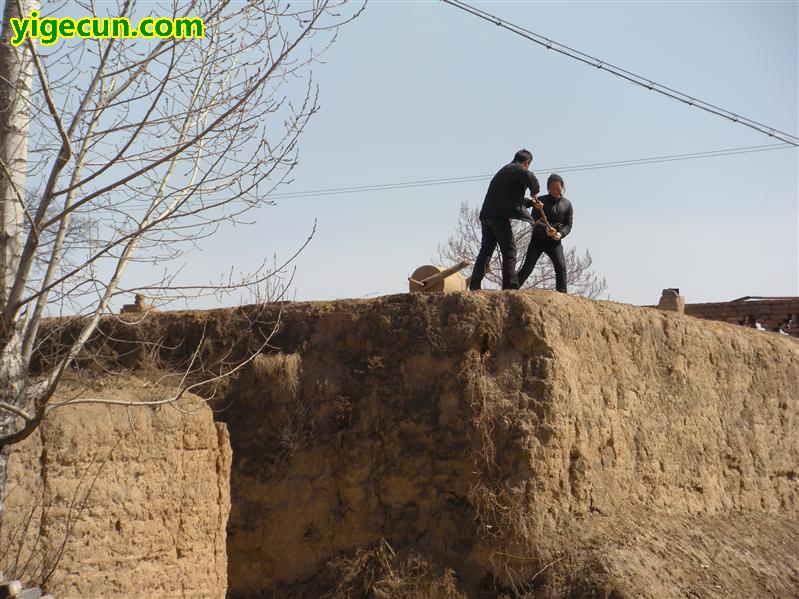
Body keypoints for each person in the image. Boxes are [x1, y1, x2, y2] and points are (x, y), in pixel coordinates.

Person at [469, 149, 540, 290]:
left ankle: (474, 286)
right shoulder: (519, 170)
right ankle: (510, 286)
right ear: (526, 163)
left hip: (487, 215)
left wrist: (531, 203)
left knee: (486, 251)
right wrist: (534, 191)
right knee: (509, 250)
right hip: (498, 217)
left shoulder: (503, 172)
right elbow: (533, 182)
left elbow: (512, 200)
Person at [516, 173, 573, 293]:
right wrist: (546, 229)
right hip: (538, 240)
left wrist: (560, 234)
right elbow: (534, 221)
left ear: (562, 187)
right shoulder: (540, 201)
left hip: (554, 241)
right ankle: (512, 288)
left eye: (557, 188)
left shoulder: (567, 204)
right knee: (527, 267)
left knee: (561, 267)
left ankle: (562, 294)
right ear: (548, 188)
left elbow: (568, 224)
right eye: (552, 188)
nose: (555, 191)